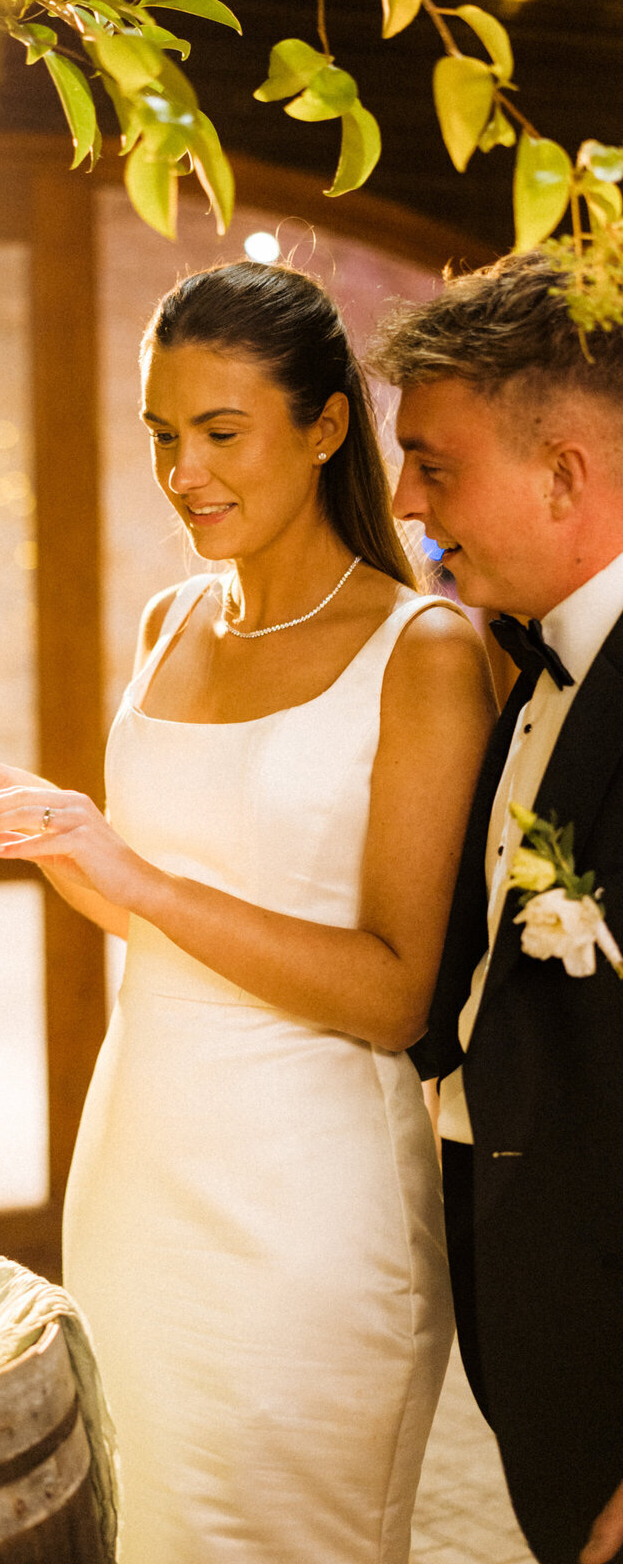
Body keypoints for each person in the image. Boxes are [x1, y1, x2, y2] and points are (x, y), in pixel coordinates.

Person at [0, 261, 495, 1563]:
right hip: (139, 1166)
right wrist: (47, 825)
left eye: (222, 433)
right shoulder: (168, 624)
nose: (186, 472)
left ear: (327, 427)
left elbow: (395, 988)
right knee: (151, 1522)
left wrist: (139, 875)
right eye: (165, 436)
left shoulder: (425, 653)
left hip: (308, 1199)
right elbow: (153, 921)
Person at [380, 251, 623, 1564]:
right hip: (526, 1294)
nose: (411, 502)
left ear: (565, 474)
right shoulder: (524, 672)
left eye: (437, 463)